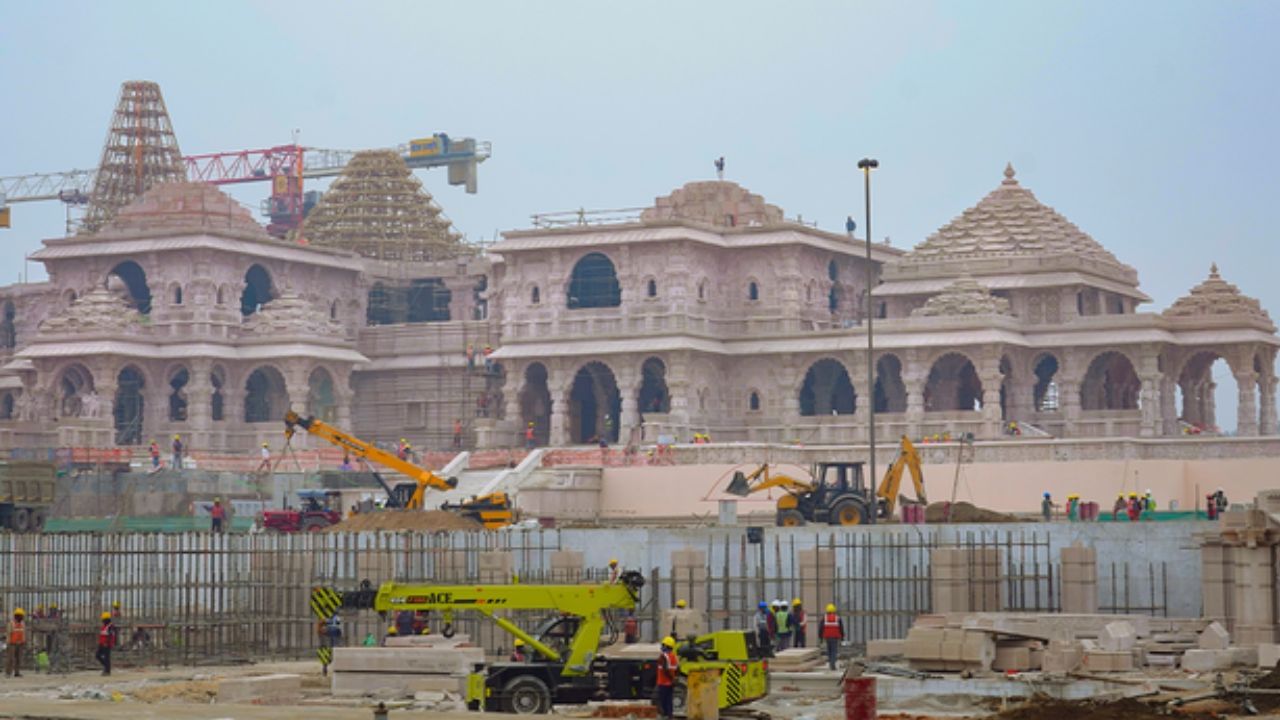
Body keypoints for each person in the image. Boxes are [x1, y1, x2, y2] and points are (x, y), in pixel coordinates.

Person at [655, 636, 679, 720]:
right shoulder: (674, 656)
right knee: (669, 701)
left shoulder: (664, 656)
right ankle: (669, 716)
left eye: (663, 645)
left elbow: (665, 669)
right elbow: (676, 669)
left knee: (662, 701)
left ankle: (664, 716)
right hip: (670, 683)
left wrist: (671, 679)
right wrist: (674, 679)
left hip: (663, 682)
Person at [820, 603, 844, 671]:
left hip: (827, 637)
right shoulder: (837, 618)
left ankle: (831, 663)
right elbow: (841, 628)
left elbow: (821, 628)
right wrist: (842, 637)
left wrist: (820, 637)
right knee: (834, 650)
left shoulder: (824, 618)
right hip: (835, 637)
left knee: (829, 650)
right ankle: (832, 664)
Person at [6, 607, 26, 677]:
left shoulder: (22, 623)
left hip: (20, 644)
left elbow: (23, 633)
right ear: (17, 616)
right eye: (21, 616)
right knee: (11, 659)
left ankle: (17, 672)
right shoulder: (11, 623)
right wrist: (8, 643)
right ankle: (8, 673)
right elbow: (8, 633)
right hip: (12, 644)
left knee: (18, 659)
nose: (22, 617)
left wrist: (23, 641)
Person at [96, 612, 115, 676]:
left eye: (103, 619)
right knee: (97, 655)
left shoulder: (110, 626)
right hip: (101, 643)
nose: (102, 620)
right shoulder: (104, 626)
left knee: (107, 657)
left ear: (106, 619)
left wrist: (107, 643)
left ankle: (107, 671)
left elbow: (110, 635)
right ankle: (106, 666)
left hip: (107, 644)